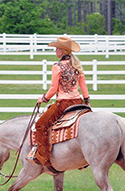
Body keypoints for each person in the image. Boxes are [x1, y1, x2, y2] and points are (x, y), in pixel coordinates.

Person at [35, 36, 90, 170]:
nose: (55, 51)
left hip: (63, 103)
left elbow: (53, 88)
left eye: (56, 49)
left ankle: (44, 158)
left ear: (61, 51)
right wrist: (87, 101)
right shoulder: (77, 65)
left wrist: (44, 99)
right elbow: (83, 85)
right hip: (78, 101)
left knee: (41, 125)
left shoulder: (57, 66)